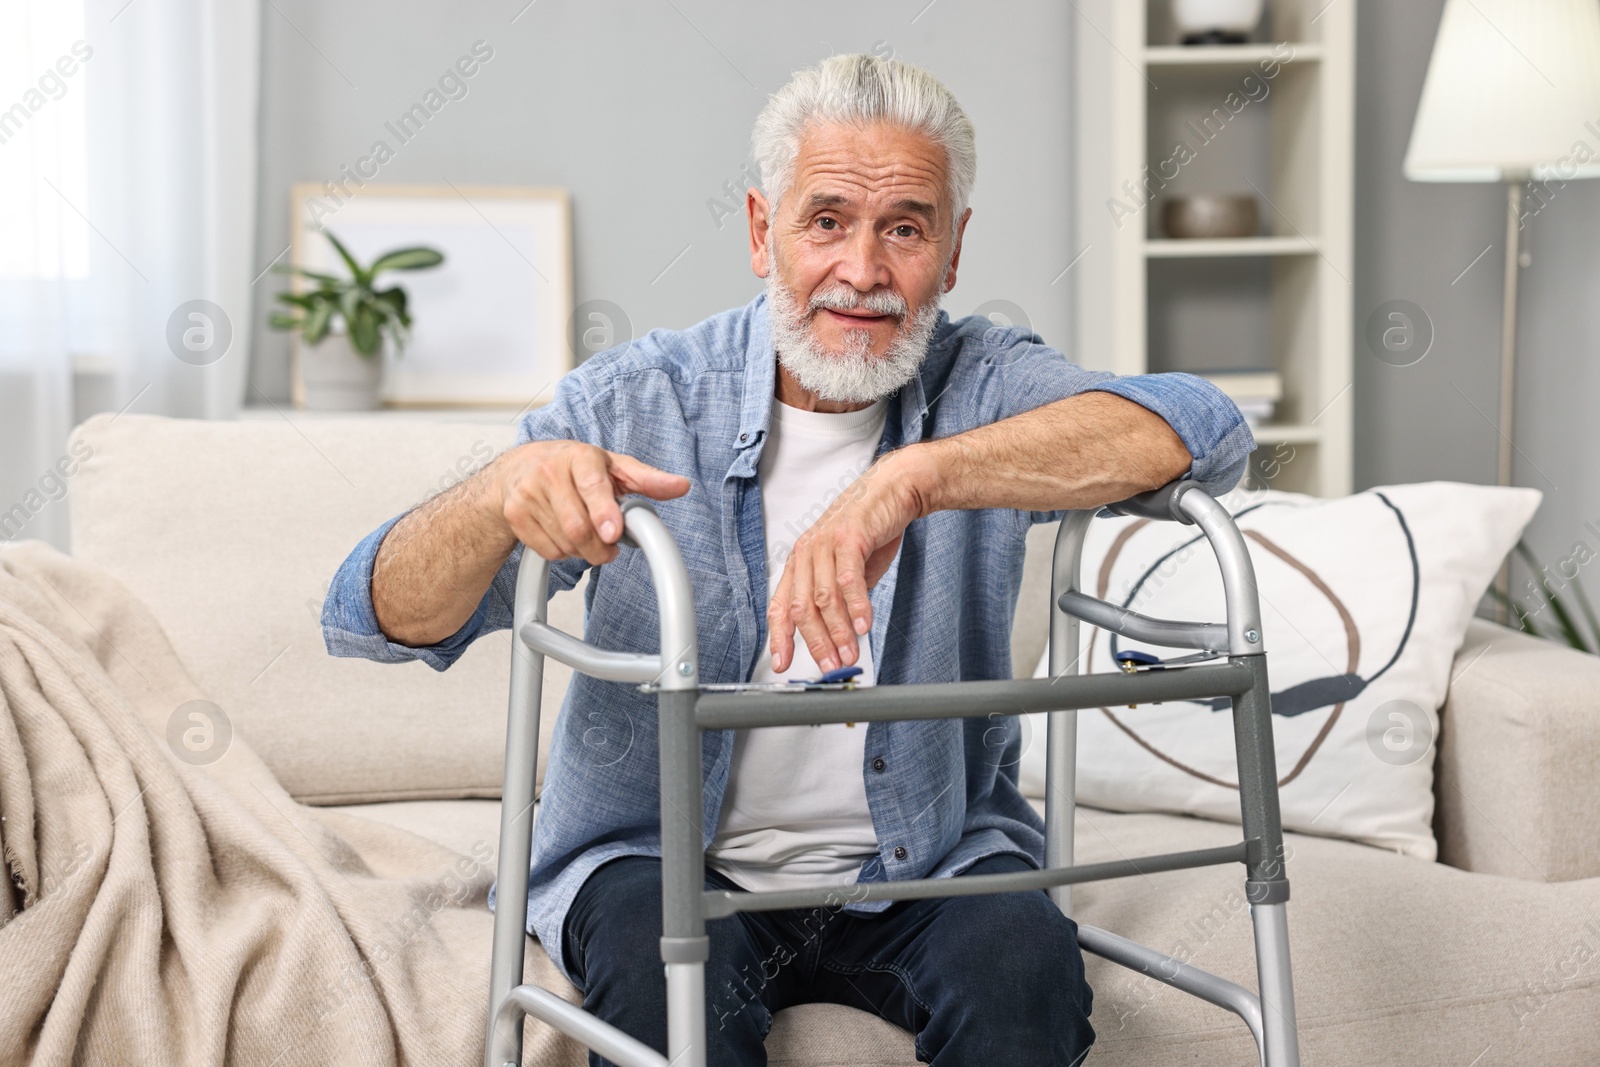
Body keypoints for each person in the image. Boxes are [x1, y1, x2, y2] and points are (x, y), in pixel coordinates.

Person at [323, 52, 1251, 1067]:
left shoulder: (986, 382)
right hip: (661, 861)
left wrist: (909, 480)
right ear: (763, 230)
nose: (862, 270)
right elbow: (377, 613)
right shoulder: (641, 398)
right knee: (668, 990)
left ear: (951, 250)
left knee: (1022, 973)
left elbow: (1202, 426)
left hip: (928, 865)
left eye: (904, 226)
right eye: (826, 222)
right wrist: (501, 490)